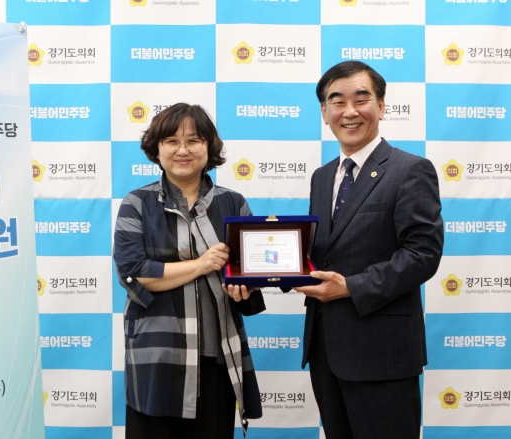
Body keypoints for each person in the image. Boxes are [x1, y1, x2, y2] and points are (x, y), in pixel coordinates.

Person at [294, 61, 444, 439]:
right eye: (337, 101)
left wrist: (351, 287)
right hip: (326, 351)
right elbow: (323, 252)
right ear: (324, 111)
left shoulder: (410, 169)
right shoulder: (322, 177)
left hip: (382, 354)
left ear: (381, 105)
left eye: (361, 99)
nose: (350, 111)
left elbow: (422, 254)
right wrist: (267, 273)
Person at [113, 103, 264, 439]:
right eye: (171, 141)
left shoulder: (233, 203)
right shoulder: (136, 203)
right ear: (157, 149)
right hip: (157, 357)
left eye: (193, 140)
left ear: (209, 147)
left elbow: (247, 272)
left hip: (216, 356)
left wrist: (246, 287)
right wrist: (201, 265)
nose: (183, 150)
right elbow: (134, 274)